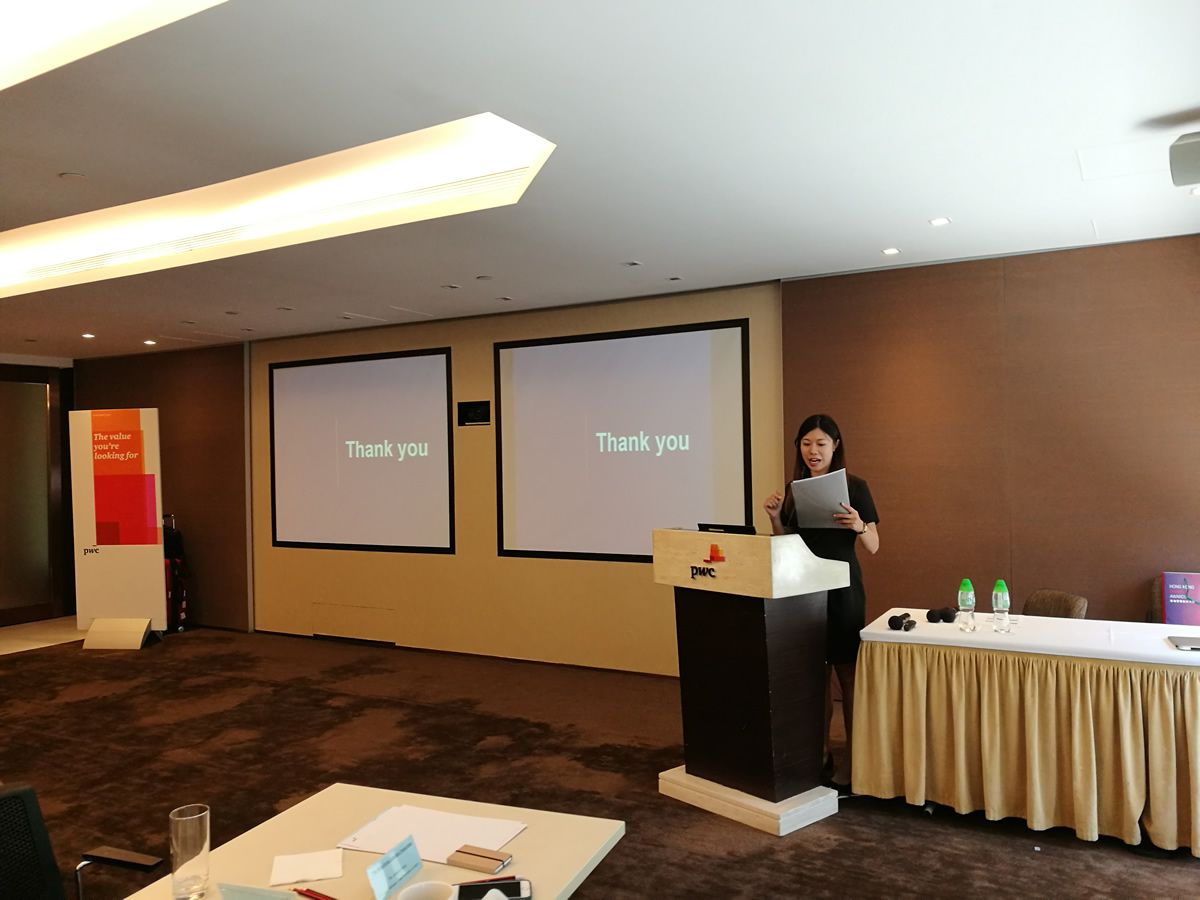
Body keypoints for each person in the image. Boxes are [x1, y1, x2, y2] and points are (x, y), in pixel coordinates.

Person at [763, 413, 879, 792]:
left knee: (848, 679)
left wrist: (859, 525)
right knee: (814, 680)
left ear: (835, 446)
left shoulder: (855, 487)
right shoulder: (794, 490)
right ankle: (819, 753)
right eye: (806, 443)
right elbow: (786, 544)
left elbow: (874, 545)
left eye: (821, 444)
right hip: (805, 591)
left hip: (842, 590)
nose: (813, 451)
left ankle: (854, 760)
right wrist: (775, 518)